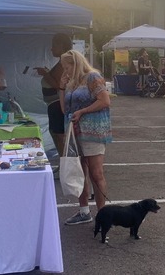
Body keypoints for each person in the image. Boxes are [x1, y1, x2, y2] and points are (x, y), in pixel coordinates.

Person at [60, 50, 112, 225]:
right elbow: (64, 109)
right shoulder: (72, 83)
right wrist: (62, 87)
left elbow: (104, 100)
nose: (65, 71)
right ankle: (84, 212)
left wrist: (83, 111)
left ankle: (102, 214)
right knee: (79, 171)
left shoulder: (92, 77)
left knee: (96, 173)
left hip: (93, 131)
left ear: (76, 63)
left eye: (66, 67)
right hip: (75, 132)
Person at [36, 33, 72, 156]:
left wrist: (46, 74)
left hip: (57, 103)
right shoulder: (61, 62)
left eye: (54, 46)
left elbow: (58, 85)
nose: (51, 49)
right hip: (53, 103)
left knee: (59, 135)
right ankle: (63, 162)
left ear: (62, 46)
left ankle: (65, 163)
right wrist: (48, 73)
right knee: (54, 132)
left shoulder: (65, 61)